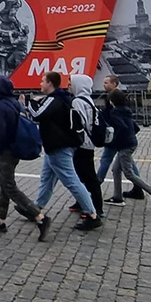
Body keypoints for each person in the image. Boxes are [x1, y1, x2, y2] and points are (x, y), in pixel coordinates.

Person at [23, 71, 101, 231]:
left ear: (50, 84)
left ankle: (92, 214)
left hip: (58, 146)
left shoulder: (55, 100)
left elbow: (37, 114)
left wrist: (29, 102)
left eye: (42, 81)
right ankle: (36, 208)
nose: (40, 84)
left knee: (71, 180)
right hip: (56, 146)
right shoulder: (63, 98)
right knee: (47, 178)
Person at [0, 75, 52, 240]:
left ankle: (39, 217)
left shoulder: (0, 106)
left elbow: (0, 132)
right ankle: (0, 219)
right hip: (16, 149)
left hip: (6, 151)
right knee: (3, 184)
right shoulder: (16, 104)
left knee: (9, 186)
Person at [102, 90, 151, 211]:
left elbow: (121, 126)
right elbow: (135, 127)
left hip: (124, 145)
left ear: (111, 101)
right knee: (116, 169)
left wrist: (114, 140)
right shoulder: (126, 110)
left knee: (128, 173)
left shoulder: (115, 112)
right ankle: (117, 197)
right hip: (130, 143)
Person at [100, 74, 144, 201]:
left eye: (107, 82)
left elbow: (119, 120)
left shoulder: (115, 97)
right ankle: (137, 188)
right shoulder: (114, 96)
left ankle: (96, 184)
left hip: (116, 137)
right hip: (121, 138)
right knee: (128, 162)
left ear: (114, 84)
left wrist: (115, 138)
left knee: (106, 160)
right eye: (104, 83)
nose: (104, 85)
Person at [66, 75, 103, 219]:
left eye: (71, 83)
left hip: (82, 143)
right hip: (88, 142)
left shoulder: (77, 102)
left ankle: (96, 208)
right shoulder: (88, 100)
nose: (69, 86)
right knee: (81, 175)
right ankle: (82, 202)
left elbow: (78, 123)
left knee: (87, 176)